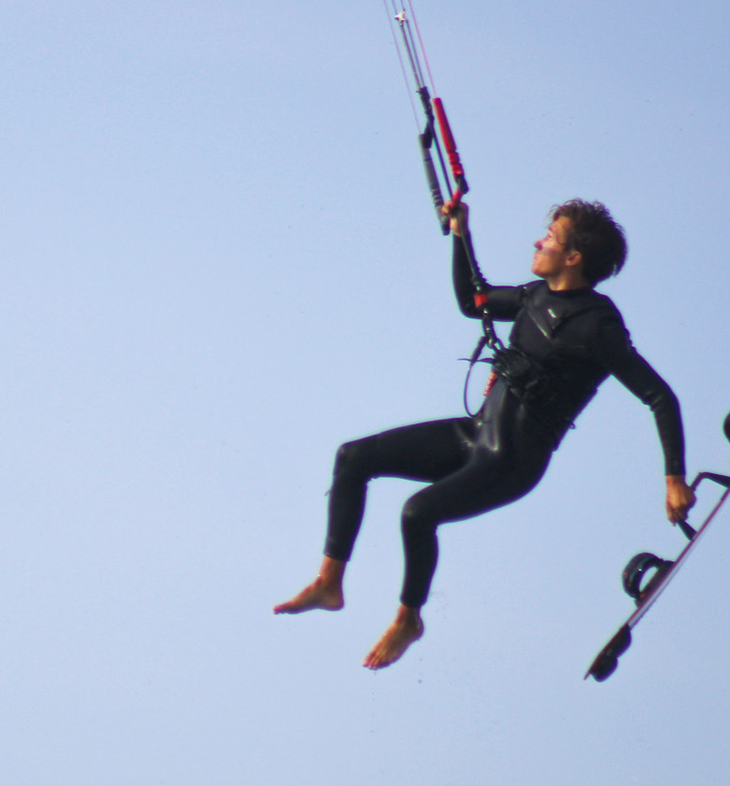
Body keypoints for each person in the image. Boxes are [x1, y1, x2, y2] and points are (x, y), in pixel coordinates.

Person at [274, 199, 693, 669]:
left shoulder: (598, 326)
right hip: (474, 435)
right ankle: (329, 582)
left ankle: (408, 620)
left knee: (417, 513)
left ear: (573, 257)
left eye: (550, 238)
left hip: (512, 462)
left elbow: (660, 397)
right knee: (353, 457)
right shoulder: (535, 296)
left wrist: (674, 478)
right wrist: (461, 233)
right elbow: (473, 301)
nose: (538, 242)